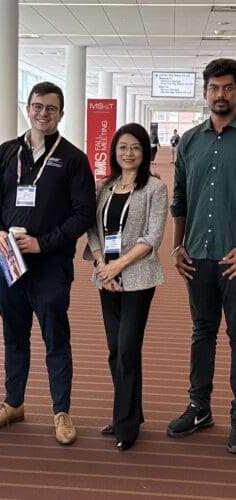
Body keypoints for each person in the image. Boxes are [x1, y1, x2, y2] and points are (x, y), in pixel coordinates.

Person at [0, 82, 96, 445]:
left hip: (50, 267)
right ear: (27, 108)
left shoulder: (73, 159)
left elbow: (84, 213)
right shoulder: (7, 152)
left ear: (61, 113)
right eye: (37, 106)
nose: (43, 113)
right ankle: (14, 404)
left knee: (55, 339)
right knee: (14, 336)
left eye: (51, 108)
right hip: (8, 262)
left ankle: (61, 412)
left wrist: (44, 243)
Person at [84, 123, 168, 451]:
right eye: (122, 147)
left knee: (128, 349)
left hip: (138, 278)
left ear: (144, 152)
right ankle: (126, 413)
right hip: (106, 277)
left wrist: (118, 266)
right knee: (115, 351)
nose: (128, 153)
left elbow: (153, 236)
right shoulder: (104, 187)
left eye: (135, 147)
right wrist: (102, 266)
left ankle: (127, 425)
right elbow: (92, 230)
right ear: (114, 151)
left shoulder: (154, 189)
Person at [167, 58, 236, 455]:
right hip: (198, 257)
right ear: (205, 92)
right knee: (202, 333)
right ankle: (199, 407)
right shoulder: (191, 141)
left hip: (233, 258)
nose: (221, 94)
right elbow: (180, 198)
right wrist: (178, 245)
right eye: (214, 88)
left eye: (228, 87)